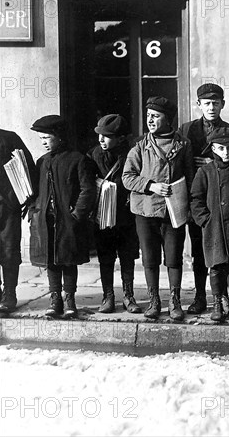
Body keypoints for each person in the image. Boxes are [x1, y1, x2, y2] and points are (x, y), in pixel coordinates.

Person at [123, 96, 194, 321]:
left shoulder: (183, 144)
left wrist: (188, 206)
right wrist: (151, 185)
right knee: (150, 258)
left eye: (156, 116)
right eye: (148, 116)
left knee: (173, 258)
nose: (150, 120)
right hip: (145, 211)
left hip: (174, 212)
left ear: (167, 119)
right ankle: (154, 300)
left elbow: (191, 177)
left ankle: (175, 301)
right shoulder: (139, 146)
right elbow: (127, 177)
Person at [29, 115, 96, 319]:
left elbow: (87, 189)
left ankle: (70, 299)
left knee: (68, 261)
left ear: (59, 137)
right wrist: (34, 210)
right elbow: (34, 191)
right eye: (41, 139)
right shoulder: (42, 162)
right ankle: (55, 298)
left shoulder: (77, 159)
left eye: (46, 138)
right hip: (45, 220)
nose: (43, 143)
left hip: (67, 221)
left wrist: (77, 215)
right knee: (51, 261)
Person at [179, 83, 229, 315]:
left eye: (216, 103)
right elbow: (180, 162)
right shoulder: (187, 129)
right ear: (198, 104)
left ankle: (224, 299)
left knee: (225, 250)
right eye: (207, 103)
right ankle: (200, 296)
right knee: (199, 250)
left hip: (221, 198)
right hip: (197, 197)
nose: (211, 107)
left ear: (222, 104)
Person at [190, 127, 229, 322]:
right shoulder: (206, 171)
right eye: (221, 148)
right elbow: (196, 199)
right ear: (213, 149)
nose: (226, 152)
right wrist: (205, 220)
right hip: (215, 225)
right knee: (216, 264)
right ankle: (217, 301)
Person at [87, 114, 141, 314]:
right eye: (99, 135)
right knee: (105, 256)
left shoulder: (132, 154)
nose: (101, 140)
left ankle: (128, 295)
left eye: (107, 136)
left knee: (127, 257)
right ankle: (107, 296)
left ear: (120, 138)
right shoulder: (93, 155)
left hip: (126, 214)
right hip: (103, 215)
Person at [0, 128, 36, 314]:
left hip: (6, 205)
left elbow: (27, 166)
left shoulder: (8, 138)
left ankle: (9, 294)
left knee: (9, 248)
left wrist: (23, 198)